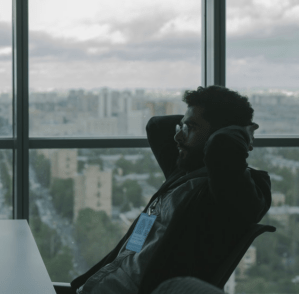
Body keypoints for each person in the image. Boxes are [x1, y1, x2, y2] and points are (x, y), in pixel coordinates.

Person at [71, 85, 272, 294]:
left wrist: (239, 131)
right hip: (105, 280)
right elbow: (156, 126)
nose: (178, 137)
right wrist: (190, 124)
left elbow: (221, 146)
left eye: (191, 128)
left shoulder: (235, 192)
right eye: (182, 127)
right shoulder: (184, 171)